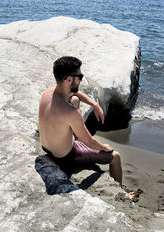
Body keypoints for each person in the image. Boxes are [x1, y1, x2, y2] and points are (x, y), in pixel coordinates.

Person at [38, 56, 128, 189]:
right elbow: (90, 142)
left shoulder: (48, 93)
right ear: (69, 79)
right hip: (65, 156)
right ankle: (122, 192)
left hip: (47, 147)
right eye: (79, 76)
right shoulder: (70, 112)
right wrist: (104, 147)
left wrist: (95, 104)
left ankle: (75, 134)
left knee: (74, 99)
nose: (81, 79)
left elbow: (75, 93)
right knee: (115, 156)